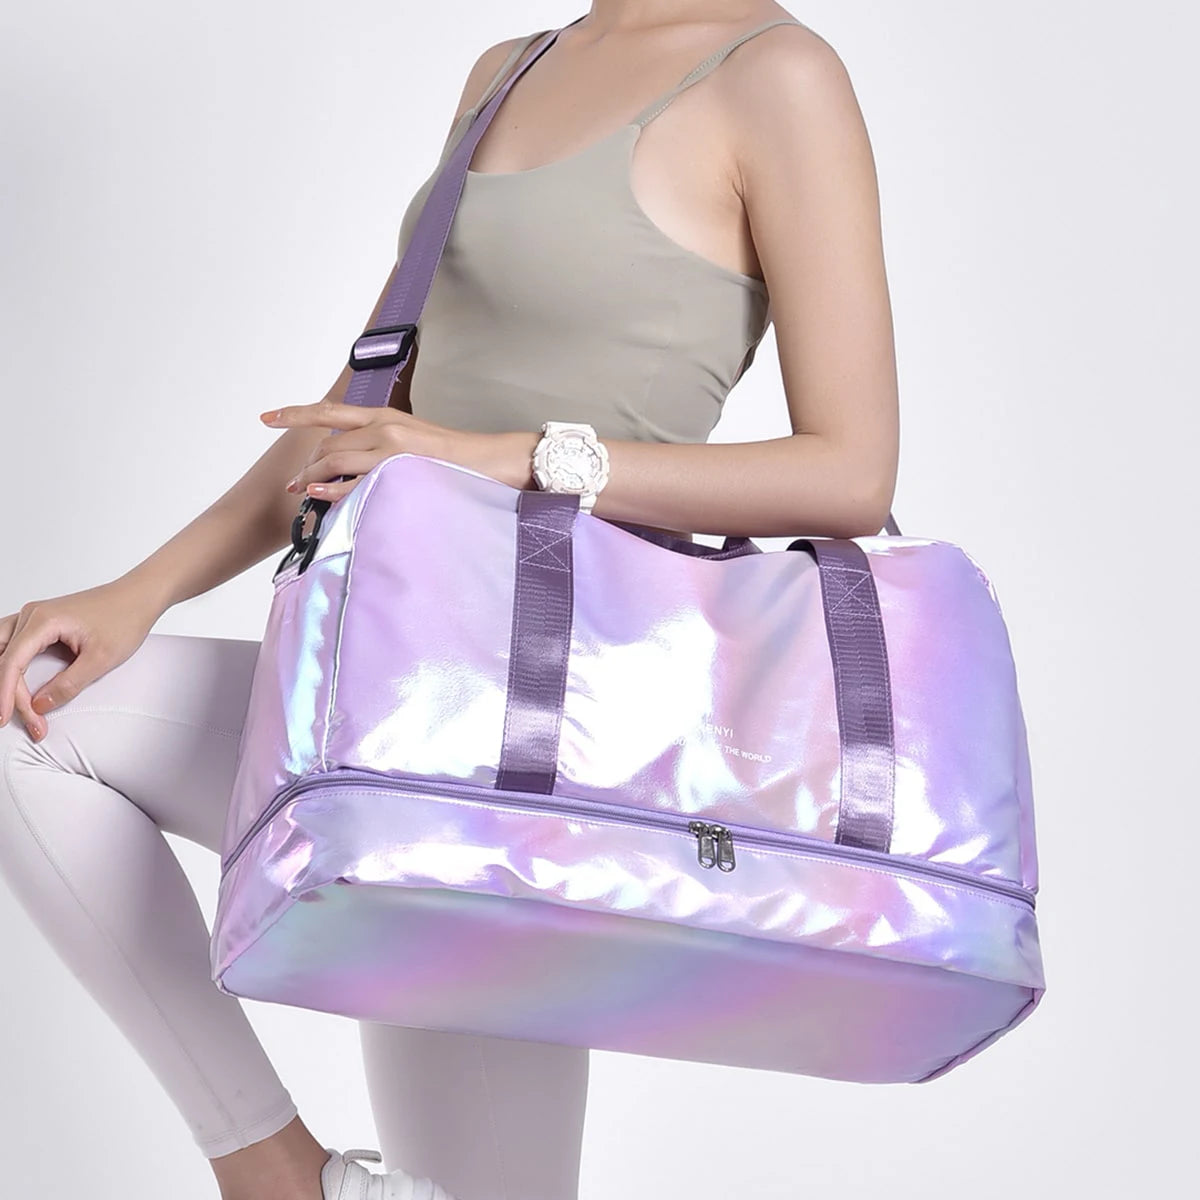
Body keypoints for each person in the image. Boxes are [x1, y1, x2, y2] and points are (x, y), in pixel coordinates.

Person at [0, 3, 899, 1198]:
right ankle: (274, 1172)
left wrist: (502, 455)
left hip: (552, 742)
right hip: (392, 701)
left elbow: (851, 472)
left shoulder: (776, 75)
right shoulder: (511, 67)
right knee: (34, 715)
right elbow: (366, 415)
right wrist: (139, 591)